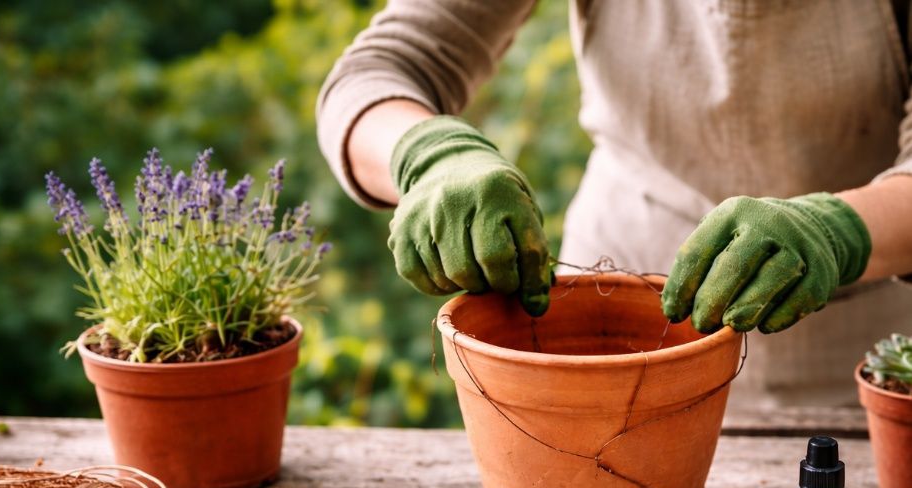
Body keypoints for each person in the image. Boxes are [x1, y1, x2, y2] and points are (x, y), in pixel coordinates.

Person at [316, 1, 912, 407]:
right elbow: (378, 71)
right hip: (616, 294)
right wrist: (432, 155)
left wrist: (838, 233)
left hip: (864, 347)